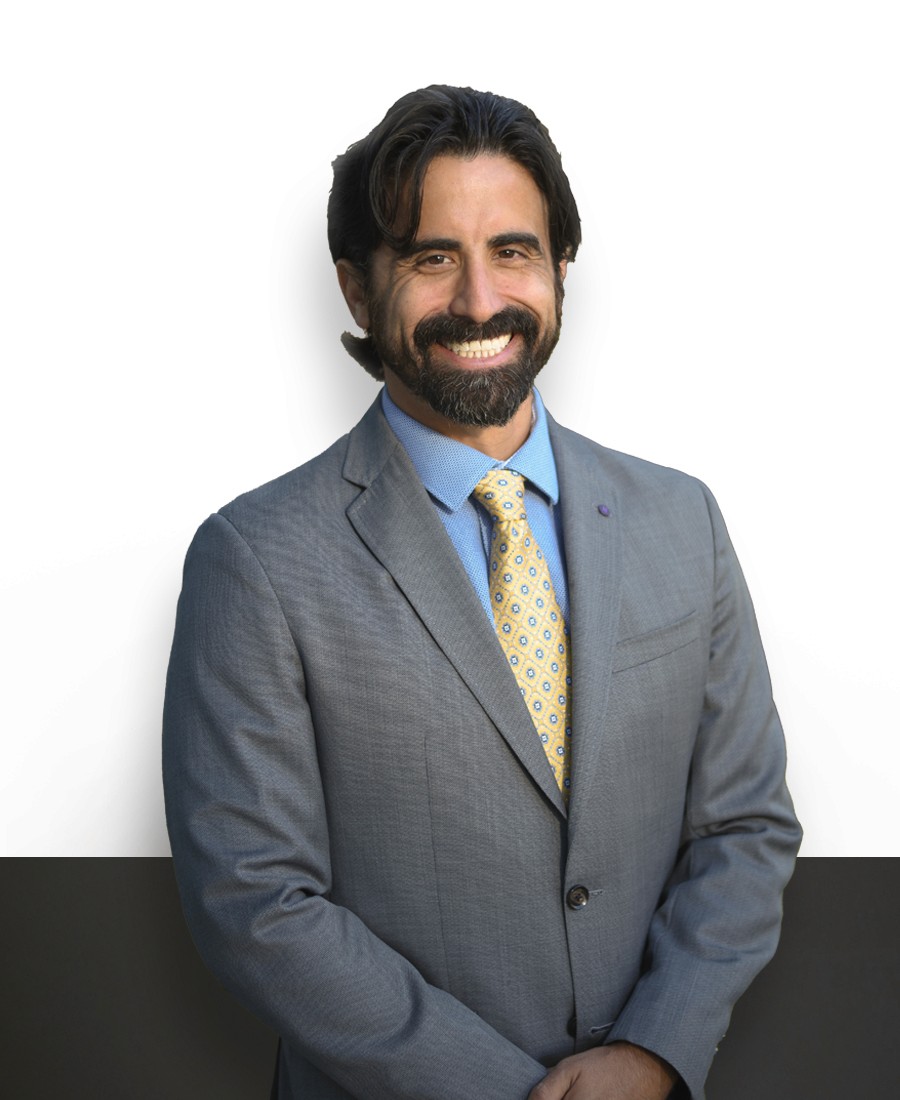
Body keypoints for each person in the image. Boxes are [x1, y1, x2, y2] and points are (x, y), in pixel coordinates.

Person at [163, 85, 801, 1100]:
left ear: (557, 272)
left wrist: (654, 1048)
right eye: (430, 256)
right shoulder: (257, 561)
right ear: (357, 288)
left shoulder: (683, 522)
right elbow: (257, 899)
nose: (477, 299)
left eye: (512, 250)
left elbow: (743, 824)